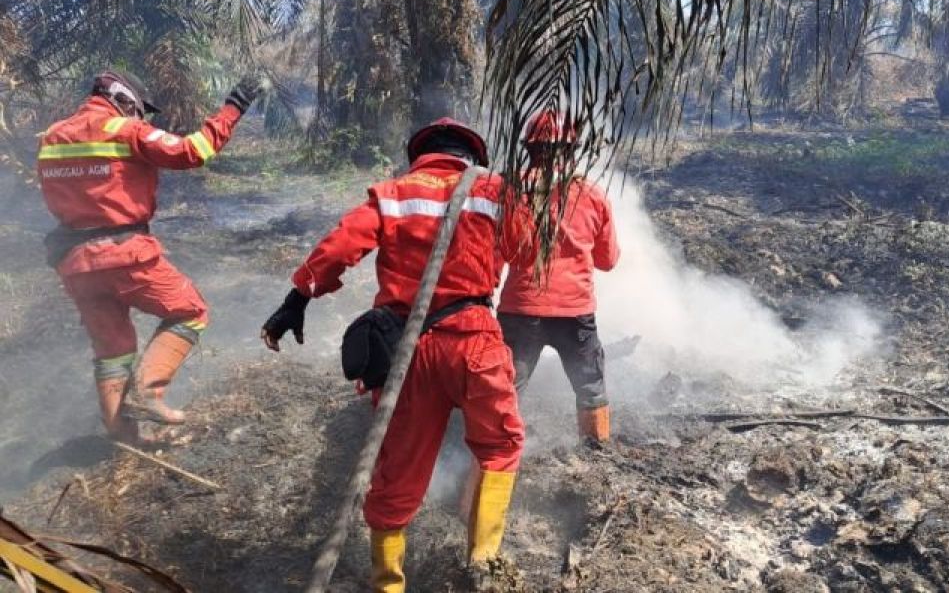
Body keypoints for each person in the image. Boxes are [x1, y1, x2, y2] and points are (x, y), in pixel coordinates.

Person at [260, 118, 528, 593]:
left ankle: (388, 584)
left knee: (398, 472)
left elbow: (340, 246)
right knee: (500, 446)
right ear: (471, 156)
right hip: (475, 341)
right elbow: (526, 248)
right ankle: (484, 567)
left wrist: (297, 299)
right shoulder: (495, 190)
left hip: (408, 352)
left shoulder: (393, 193)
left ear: (420, 155)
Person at [38, 69, 261, 441]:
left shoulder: (51, 137)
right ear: (123, 99)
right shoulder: (124, 130)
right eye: (139, 109)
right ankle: (147, 393)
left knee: (112, 348)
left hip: (75, 263)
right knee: (190, 310)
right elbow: (194, 150)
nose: (141, 116)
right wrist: (233, 107)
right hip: (125, 254)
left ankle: (122, 436)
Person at [497, 110, 620, 444]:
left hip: (521, 309)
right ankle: (596, 447)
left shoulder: (510, 190)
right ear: (571, 150)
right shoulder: (592, 194)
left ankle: (495, 455)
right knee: (590, 385)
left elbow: (499, 250)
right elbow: (608, 261)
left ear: (529, 148)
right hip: (574, 313)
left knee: (506, 388)